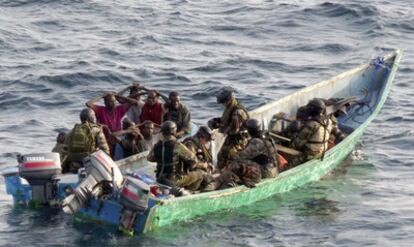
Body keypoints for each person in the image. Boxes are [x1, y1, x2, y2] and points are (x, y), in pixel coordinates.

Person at [147, 121, 211, 192]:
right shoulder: (177, 145)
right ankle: (189, 192)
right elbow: (193, 161)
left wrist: (163, 157)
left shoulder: (157, 145)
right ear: (174, 131)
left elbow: (150, 158)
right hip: (174, 180)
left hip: (159, 178)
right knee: (200, 174)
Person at [208, 87, 249, 169]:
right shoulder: (230, 107)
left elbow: (234, 130)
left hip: (239, 140)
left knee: (229, 156)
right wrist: (216, 122)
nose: (223, 104)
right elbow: (226, 120)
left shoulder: (237, 112)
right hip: (231, 138)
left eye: (224, 102)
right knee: (220, 156)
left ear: (228, 100)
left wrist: (220, 129)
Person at [64, 108, 110, 173]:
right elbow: (105, 150)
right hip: (88, 161)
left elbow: (65, 149)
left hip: (73, 161)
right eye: (94, 116)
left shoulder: (73, 130)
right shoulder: (97, 130)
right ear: (91, 118)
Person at [290, 98, 333, 166]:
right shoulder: (329, 121)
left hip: (312, 153)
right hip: (323, 150)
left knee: (290, 163)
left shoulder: (312, 125)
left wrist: (293, 135)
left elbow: (296, 144)